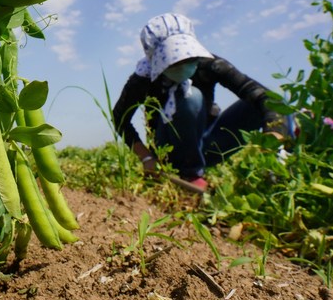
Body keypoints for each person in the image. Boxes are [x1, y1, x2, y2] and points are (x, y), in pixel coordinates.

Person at [112, 13, 287, 193]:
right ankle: (190, 174)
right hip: (170, 150)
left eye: (188, 59)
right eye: (174, 62)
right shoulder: (143, 79)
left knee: (274, 103)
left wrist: (273, 133)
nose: (183, 65)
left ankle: (280, 170)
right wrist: (147, 158)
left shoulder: (210, 65)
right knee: (190, 96)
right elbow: (120, 118)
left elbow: (263, 97)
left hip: (207, 145)